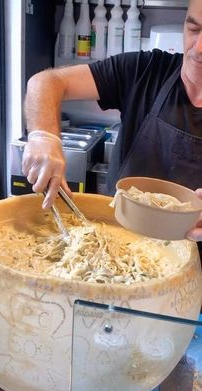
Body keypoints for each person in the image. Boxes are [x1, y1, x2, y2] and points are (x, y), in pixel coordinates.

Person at [22, 0, 202, 243]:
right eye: (194, 29)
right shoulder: (145, 70)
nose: (198, 48)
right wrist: (44, 136)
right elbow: (46, 82)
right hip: (115, 243)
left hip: (192, 259)